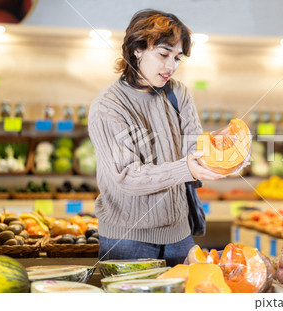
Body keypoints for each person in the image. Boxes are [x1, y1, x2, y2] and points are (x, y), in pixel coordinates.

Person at [88, 9, 224, 266]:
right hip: (127, 241)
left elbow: (194, 146)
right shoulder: (108, 106)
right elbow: (127, 176)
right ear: (137, 49)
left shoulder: (177, 93)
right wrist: (187, 168)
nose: (171, 66)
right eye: (163, 54)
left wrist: (221, 148)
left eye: (177, 58)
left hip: (180, 235)